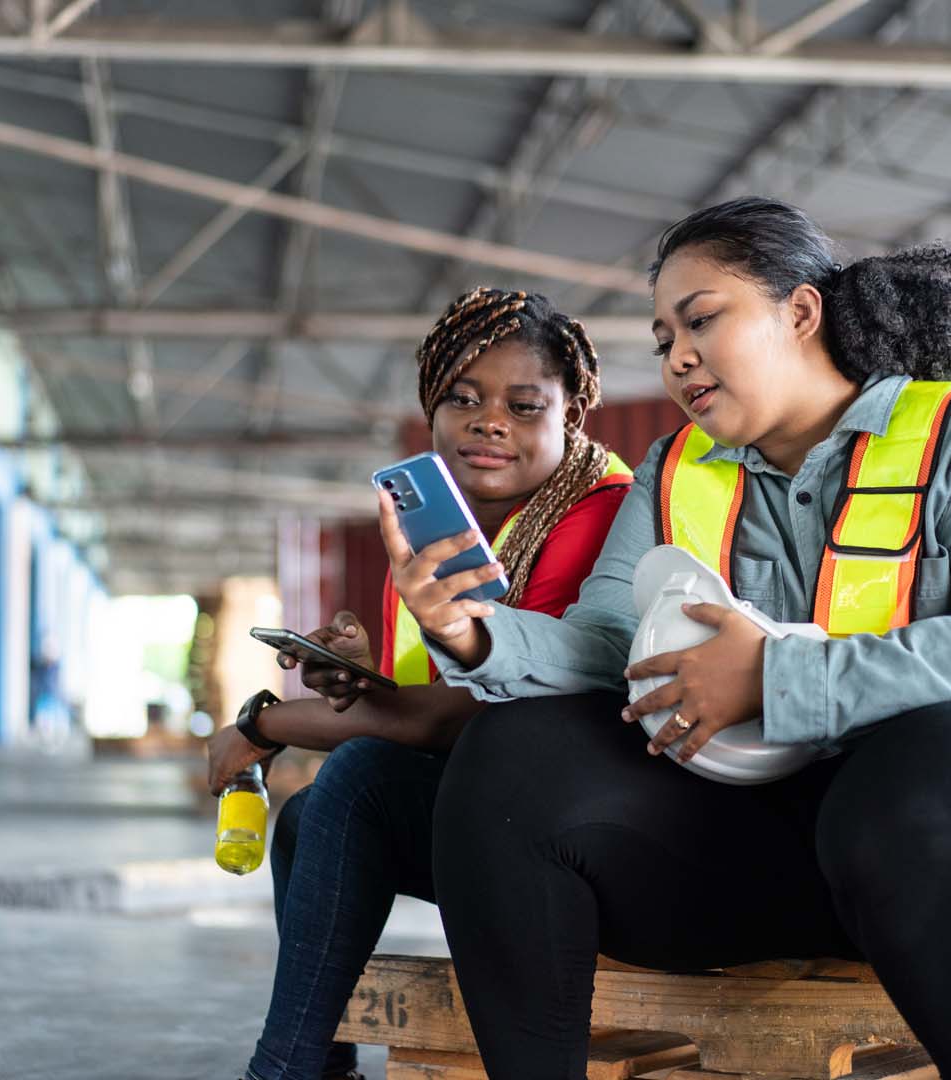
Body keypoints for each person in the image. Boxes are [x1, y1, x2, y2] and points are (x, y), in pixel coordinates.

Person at [382, 198, 951, 1080]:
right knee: (515, 754)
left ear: (800, 312)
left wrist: (774, 675)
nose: (678, 357)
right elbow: (606, 645)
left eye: (701, 320)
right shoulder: (673, 472)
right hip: (814, 846)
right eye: (663, 341)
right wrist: (478, 636)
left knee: (937, 756)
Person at [206, 287, 633, 1080]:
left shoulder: (596, 514)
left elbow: (455, 718)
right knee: (307, 821)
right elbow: (415, 699)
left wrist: (265, 725)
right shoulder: (444, 522)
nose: (487, 421)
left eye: (522, 404)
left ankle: (282, 1069)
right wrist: (356, 668)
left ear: (570, 414)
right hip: (499, 808)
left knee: (359, 778)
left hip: (589, 835)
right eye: (461, 398)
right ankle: (317, 1065)